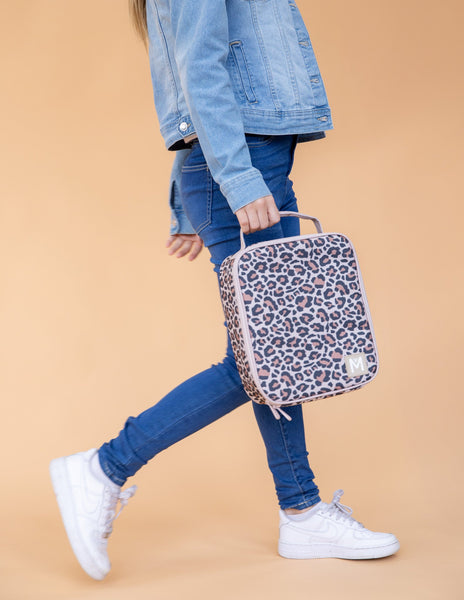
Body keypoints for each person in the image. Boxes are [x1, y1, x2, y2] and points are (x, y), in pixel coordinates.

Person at [49, 0, 400, 581]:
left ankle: (301, 511)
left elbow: (191, 70)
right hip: (243, 167)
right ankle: (106, 467)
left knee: (272, 356)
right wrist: (236, 179)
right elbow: (199, 67)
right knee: (267, 357)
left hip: (248, 166)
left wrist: (191, 203)